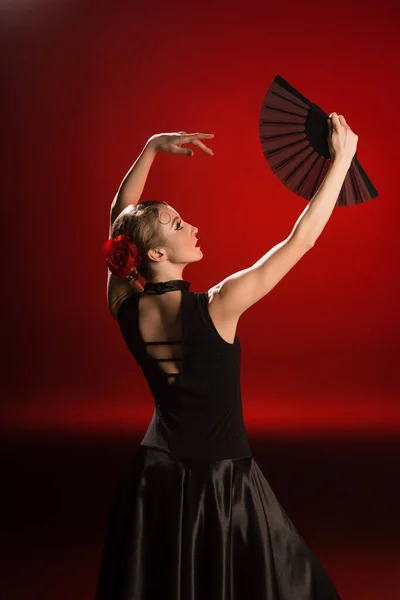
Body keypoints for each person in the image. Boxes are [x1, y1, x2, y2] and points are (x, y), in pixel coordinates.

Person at [96, 115, 357, 599]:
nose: (191, 225)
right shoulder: (219, 305)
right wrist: (340, 162)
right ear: (154, 255)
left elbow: (121, 217)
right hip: (223, 483)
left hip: (156, 477)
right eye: (176, 224)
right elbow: (300, 240)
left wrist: (151, 146)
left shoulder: (123, 307)